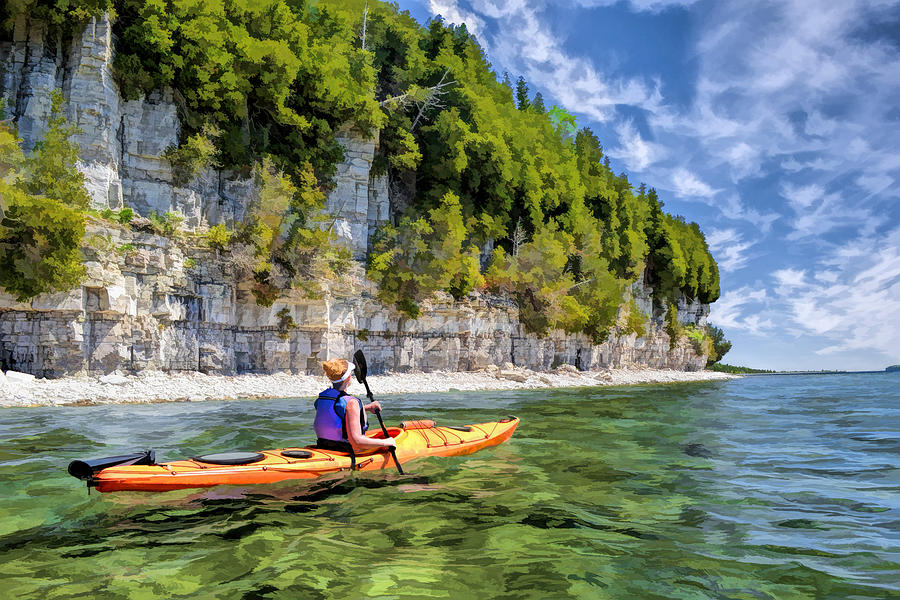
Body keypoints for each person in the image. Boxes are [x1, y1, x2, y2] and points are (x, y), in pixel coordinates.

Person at [315, 358, 395, 456]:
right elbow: (356, 441)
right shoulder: (351, 403)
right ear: (349, 377)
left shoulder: (322, 398)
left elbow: (333, 413)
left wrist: (366, 408)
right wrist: (387, 442)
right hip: (345, 451)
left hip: (323, 446)